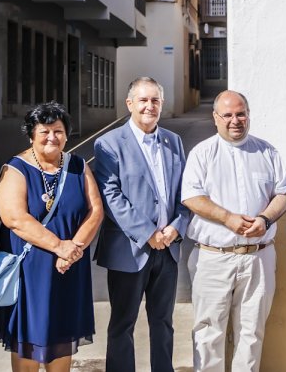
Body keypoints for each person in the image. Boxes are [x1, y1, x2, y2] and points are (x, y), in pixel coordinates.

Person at [182, 90, 286, 372]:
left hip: (258, 258)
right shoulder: (202, 153)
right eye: (228, 115)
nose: (235, 120)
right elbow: (191, 197)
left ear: (248, 115)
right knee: (208, 333)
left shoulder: (266, 151)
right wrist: (227, 218)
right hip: (213, 257)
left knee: (251, 332)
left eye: (241, 113)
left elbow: (283, 192)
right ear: (215, 118)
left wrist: (265, 219)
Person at [0, 101, 104, 371]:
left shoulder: (78, 165)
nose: (52, 137)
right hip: (30, 272)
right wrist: (60, 247)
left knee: (61, 336)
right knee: (29, 341)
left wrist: (74, 249)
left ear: (67, 134)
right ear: (31, 134)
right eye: (44, 131)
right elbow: (14, 219)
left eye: (58, 131)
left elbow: (95, 211)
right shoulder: (16, 169)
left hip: (68, 269)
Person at [93, 77, 188, 372]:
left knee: (163, 322)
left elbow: (187, 193)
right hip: (129, 251)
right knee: (123, 324)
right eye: (143, 100)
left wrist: (176, 226)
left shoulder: (174, 141)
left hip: (168, 249)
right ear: (130, 104)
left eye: (155, 100)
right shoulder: (108, 143)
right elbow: (110, 195)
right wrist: (148, 234)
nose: (150, 106)